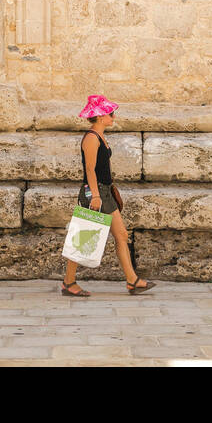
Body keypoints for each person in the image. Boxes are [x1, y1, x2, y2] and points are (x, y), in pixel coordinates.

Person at [61, 94, 156, 298]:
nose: (113, 117)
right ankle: (68, 282)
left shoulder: (101, 137)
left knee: (121, 235)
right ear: (100, 115)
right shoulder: (90, 138)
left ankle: (132, 281)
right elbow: (90, 169)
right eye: (110, 113)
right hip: (94, 192)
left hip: (105, 191)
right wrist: (95, 195)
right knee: (83, 237)